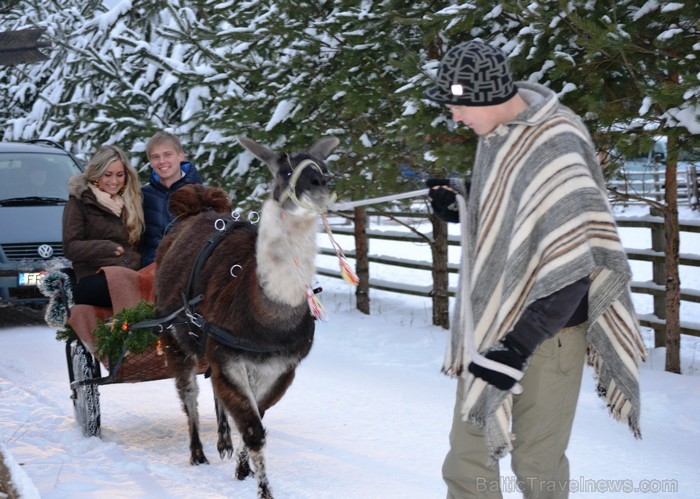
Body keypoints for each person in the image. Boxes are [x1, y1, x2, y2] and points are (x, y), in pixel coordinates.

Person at [423, 40, 647, 498]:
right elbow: (518, 217)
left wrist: (515, 349)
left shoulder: (555, 142)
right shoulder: (498, 134)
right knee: (467, 459)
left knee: (537, 465)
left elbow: (577, 259)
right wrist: (464, 201)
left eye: (458, 107)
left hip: (549, 333)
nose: (455, 118)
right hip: (491, 322)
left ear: (485, 96)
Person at [63, 145, 144, 308]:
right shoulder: (80, 202)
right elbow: (70, 247)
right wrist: (106, 248)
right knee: (124, 287)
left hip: (129, 273)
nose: (114, 181)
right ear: (96, 173)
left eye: (120, 175)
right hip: (93, 276)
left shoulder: (131, 201)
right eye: (108, 175)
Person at [140, 131, 203, 266]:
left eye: (167, 154)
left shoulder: (202, 195)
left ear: (180, 155)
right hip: (150, 274)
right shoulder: (142, 196)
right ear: (150, 162)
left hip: (190, 275)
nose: (162, 161)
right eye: (155, 157)